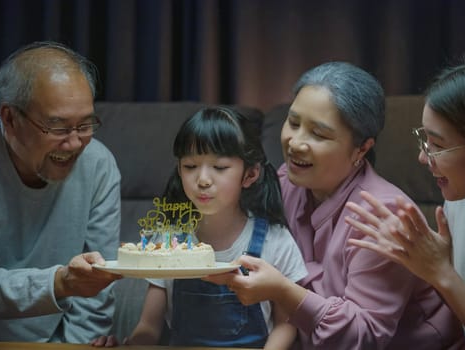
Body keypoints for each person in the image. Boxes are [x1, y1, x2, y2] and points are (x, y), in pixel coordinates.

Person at [205, 62, 465, 349]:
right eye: (293, 123)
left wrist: (283, 291)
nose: (296, 143)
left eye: (319, 134)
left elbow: (364, 336)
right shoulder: (286, 185)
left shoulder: (384, 215)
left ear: (362, 148)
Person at [91, 106, 307, 349]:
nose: (202, 180)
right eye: (191, 166)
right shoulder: (167, 243)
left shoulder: (274, 240)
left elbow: (286, 324)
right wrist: (130, 344)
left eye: (219, 167)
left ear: (250, 174)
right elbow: (149, 327)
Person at [345, 56, 465, 349]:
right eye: (425, 140)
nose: (423, 158)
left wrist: (441, 273)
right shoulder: (460, 200)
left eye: (437, 145)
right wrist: (427, 265)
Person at [0, 41, 122, 342]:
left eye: (85, 125)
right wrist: (59, 282)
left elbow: (97, 292)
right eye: (58, 127)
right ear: (10, 118)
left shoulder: (98, 165)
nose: (75, 143)